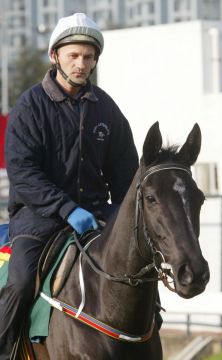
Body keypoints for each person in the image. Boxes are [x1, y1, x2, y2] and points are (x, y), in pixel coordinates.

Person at [0, 13, 139, 359]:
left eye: (88, 57)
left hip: (96, 214)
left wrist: (124, 216)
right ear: (55, 56)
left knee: (137, 264)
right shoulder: (30, 107)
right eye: (73, 55)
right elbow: (23, 173)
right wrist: (66, 208)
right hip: (38, 218)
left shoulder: (107, 109)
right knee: (19, 282)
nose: (81, 63)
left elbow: (126, 173)